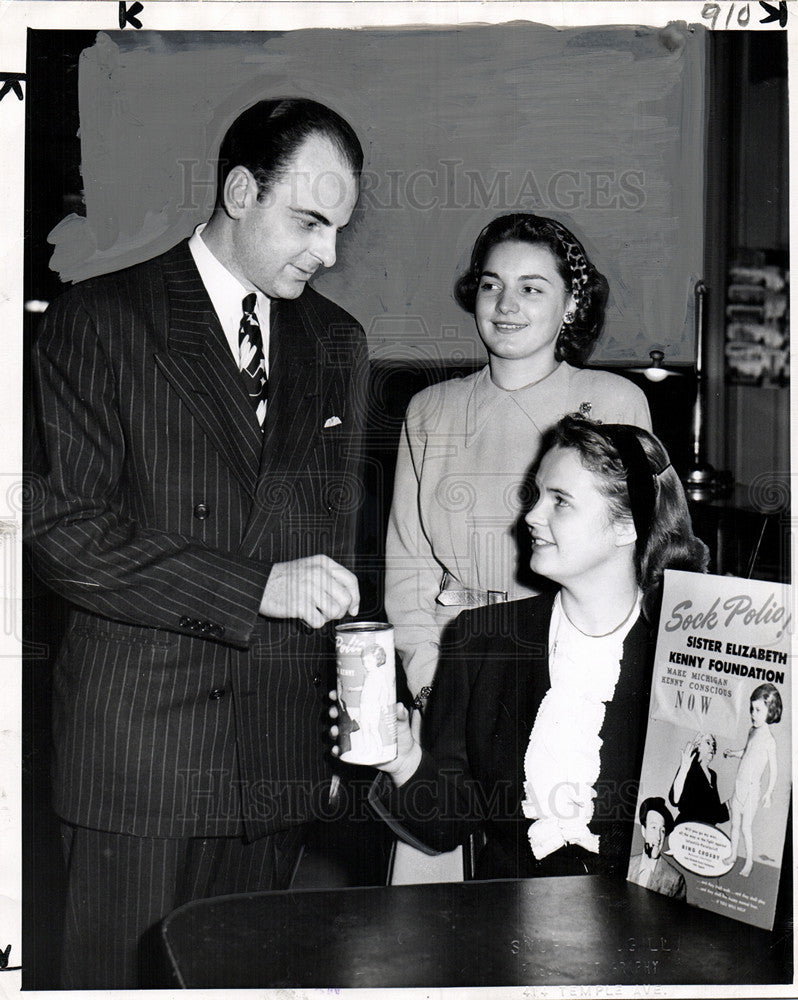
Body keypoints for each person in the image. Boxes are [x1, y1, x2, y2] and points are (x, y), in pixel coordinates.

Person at [25, 97, 367, 988]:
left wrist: (350, 714)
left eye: (341, 228)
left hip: (280, 759)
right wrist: (255, 587)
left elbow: (333, 545)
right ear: (241, 190)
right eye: (310, 222)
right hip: (141, 760)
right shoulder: (98, 320)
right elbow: (63, 532)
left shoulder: (338, 341)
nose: (328, 253)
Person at [348, 415, 708, 880]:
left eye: (560, 502)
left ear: (626, 527)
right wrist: (404, 761)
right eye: (537, 496)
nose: (531, 516)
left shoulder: (684, 655)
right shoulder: (482, 639)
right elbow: (446, 827)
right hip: (505, 932)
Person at [385, 213, 652, 707]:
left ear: (571, 303)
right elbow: (409, 569)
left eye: (531, 289)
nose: (505, 305)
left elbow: (642, 558)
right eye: (492, 285)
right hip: (454, 660)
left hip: (573, 662)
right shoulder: (429, 410)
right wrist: (428, 684)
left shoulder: (615, 402)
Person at [722, 682, 782, 877]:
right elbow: (746, 752)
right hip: (739, 785)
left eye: (758, 710)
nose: (753, 714)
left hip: (751, 790)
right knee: (735, 825)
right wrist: (733, 753)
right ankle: (732, 855)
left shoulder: (768, 740)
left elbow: (773, 769)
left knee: (746, 827)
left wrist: (769, 792)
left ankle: (748, 863)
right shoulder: (751, 731)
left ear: (770, 710)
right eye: (751, 709)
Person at [627, 797, 686, 900]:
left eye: (662, 831)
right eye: (653, 828)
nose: (658, 837)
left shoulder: (675, 880)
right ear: (644, 831)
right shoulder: (628, 864)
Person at [669, 732, 729, 827]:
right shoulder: (689, 767)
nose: (712, 747)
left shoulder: (713, 775)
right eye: (708, 742)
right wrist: (684, 768)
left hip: (704, 832)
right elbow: (675, 800)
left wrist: (734, 801)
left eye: (713, 744)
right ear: (698, 746)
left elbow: (716, 814)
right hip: (686, 829)